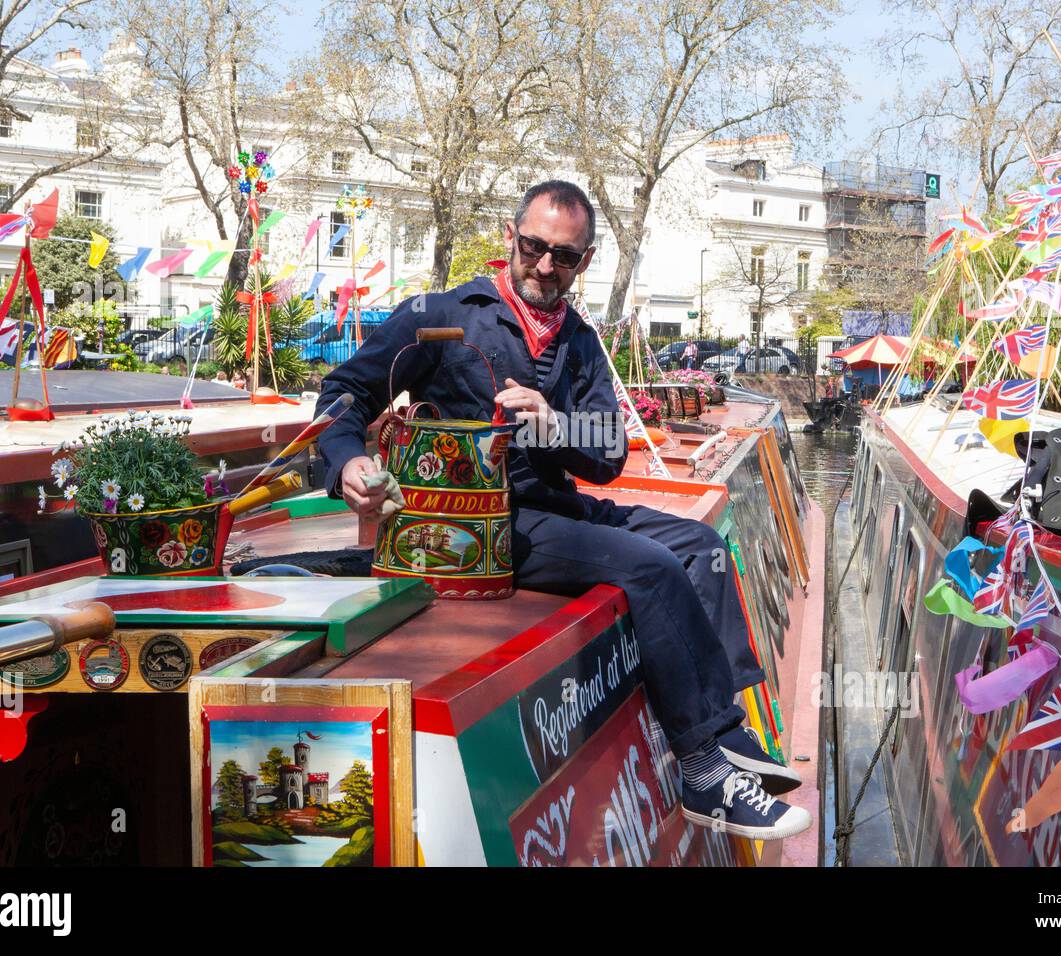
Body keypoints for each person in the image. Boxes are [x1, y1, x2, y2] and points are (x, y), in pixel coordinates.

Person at [317, 180, 809, 840]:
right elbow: (342, 391)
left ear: (586, 259)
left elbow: (607, 454)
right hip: (480, 529)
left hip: (559, 510)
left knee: (702, 546)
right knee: (651, 568)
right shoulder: (439, 315)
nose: (545, 266)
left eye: (565, 256)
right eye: (534, 247)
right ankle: (702, 773)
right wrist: (346, 461)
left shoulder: (579, 339)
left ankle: (727, 732)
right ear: (509, 237)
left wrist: (555, 424)